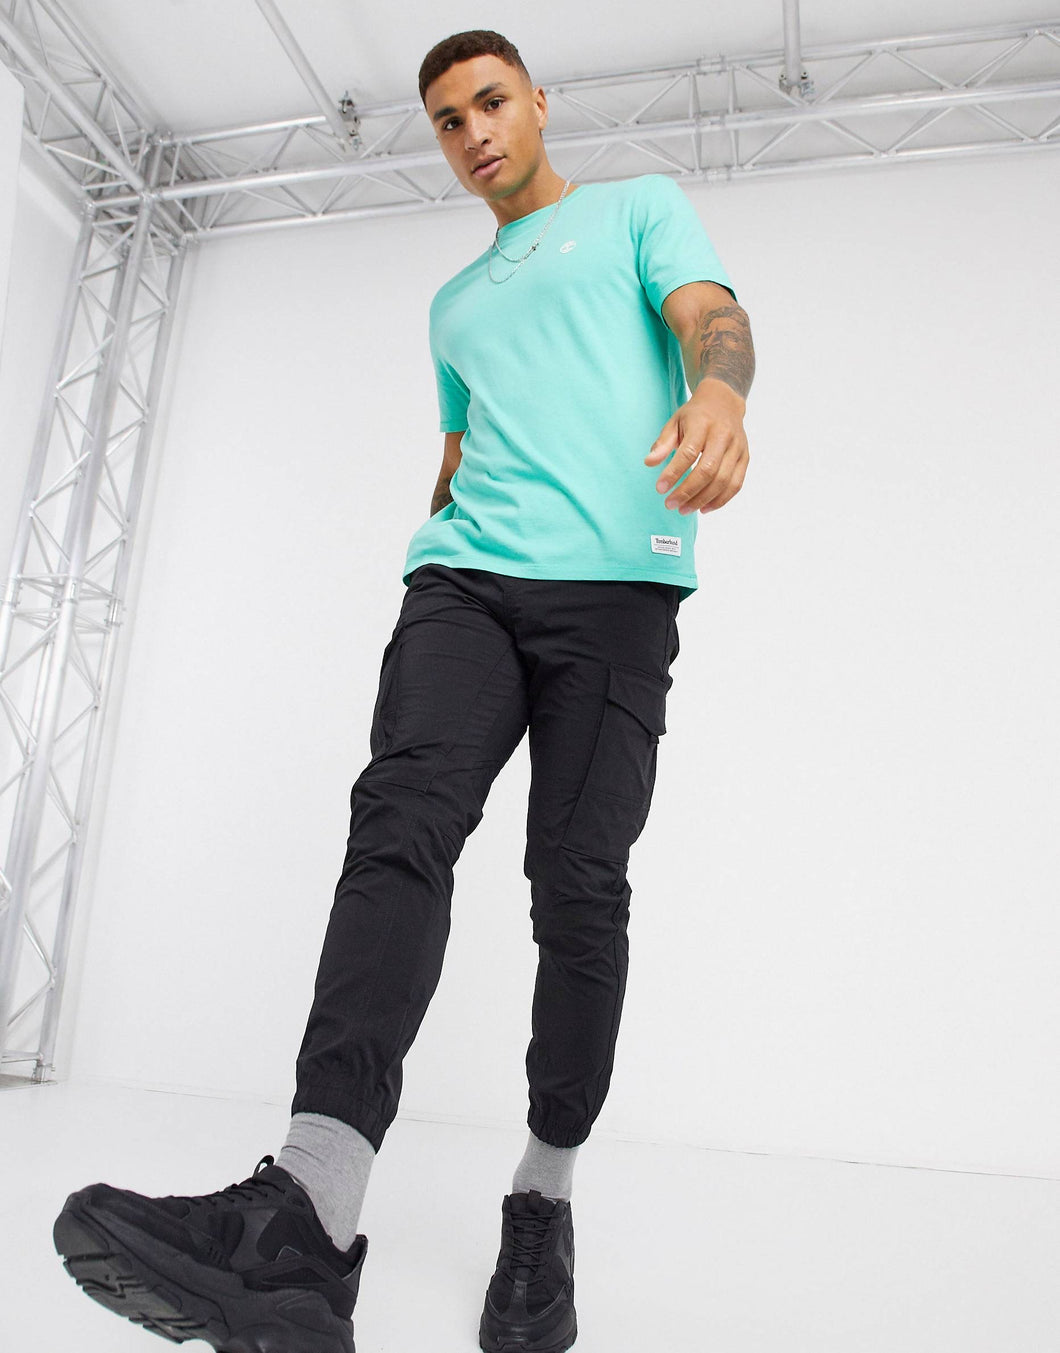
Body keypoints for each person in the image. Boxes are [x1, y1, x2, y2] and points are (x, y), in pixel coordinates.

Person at [52, 27, 754, 1353]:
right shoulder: (453, 306)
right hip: (464, 587)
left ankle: (542, 1202)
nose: (473, 130)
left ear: (537, 102)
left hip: (616, 595)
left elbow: (712, 321)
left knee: (577, 884)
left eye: (490, 101)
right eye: (446, 118)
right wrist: (445, 525)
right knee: (400, 825)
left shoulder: (636, 212)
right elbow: (460, 448)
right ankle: (306, 1223)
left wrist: (717, 397)